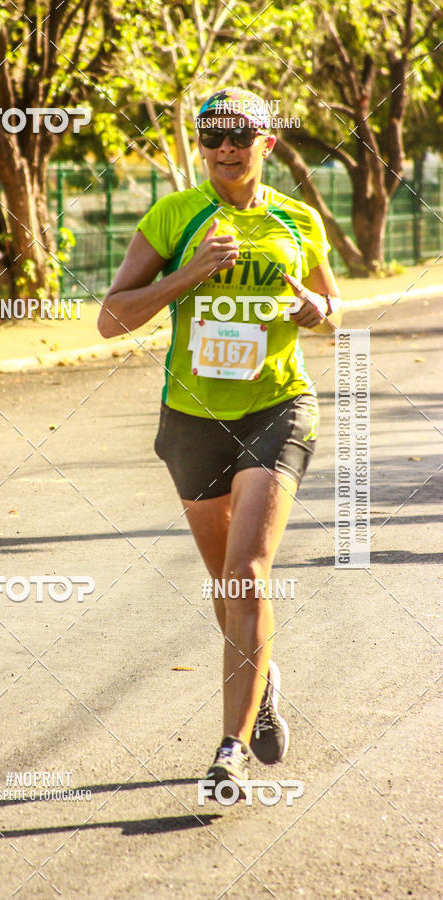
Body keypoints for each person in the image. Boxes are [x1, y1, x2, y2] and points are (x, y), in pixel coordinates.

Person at [97, 88, 342, 799]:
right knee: (226, 585)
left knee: (247, 572)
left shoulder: (297, 218)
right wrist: (191, 273)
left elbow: (332, 310)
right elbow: (112, 319)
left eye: (239, 134)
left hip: (278, 406)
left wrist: (317, 308)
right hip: (192, 420)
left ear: (268, 142)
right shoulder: (174, 216)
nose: (225, 147)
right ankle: (261, 685)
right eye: (212, 135)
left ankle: (229, 750)